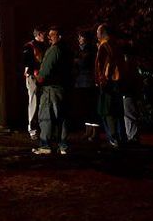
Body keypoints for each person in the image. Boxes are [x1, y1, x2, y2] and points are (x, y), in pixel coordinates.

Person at [32, 26, 73, 155]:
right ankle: (63, 145)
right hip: (62, 87)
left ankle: (45, 144)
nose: (49, 37)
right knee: (62, 117)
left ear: (59, 36)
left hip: (51, 89)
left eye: (52, 34)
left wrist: (38, 76)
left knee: (46, 116)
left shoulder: (54, 50)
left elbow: (45, 71)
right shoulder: (66, 50)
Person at [94, 23, 126, 148]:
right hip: (117, 82)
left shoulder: (104, 46)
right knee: (117, 111)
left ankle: (113, 138)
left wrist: (102, 80)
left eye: (98, 32)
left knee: (107, 111)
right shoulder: (116, 44)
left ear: (102, 33)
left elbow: (105, 65)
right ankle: (120, 137)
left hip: (108, 83)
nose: (96, 35)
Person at [73, 30, 99, 141]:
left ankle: (94, 132)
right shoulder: (80, 49)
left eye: (81, 37)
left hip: (88, 81)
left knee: (91, 107)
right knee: (85, 108)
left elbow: (84, 62)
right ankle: (88, 130)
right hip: (81, 82)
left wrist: (77, 61)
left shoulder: (90, 49)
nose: (79, 39)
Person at [22, 28, 47, 140]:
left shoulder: (44, 45)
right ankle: (33, 129)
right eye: (44, 34)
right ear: (39, 34)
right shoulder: (30, 46)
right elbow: (26, 61)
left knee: (41, 103)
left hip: (42, 77)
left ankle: (42, 126)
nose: (46, 37)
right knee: (34, 102)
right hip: (34, 77)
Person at [120, 39, 142, 144]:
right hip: (130, 90)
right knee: (130, 113)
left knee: (129, 113)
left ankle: (133, 136)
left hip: (128, 90)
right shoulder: (132, 62)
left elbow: (127, 77)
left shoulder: (127, 62)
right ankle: (132, 135)